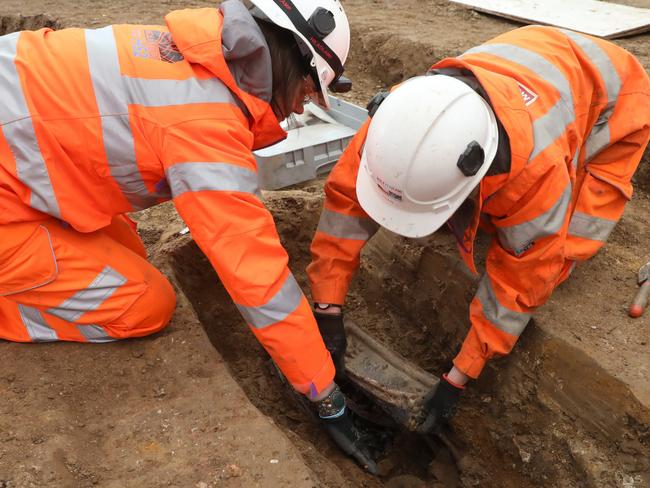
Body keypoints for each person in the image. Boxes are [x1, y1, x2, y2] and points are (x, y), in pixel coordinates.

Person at [0, 0, 376, 472]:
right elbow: (256, 277)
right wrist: (324, 395)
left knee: (128, 251)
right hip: (10, 183)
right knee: (143, 305)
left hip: (21, 166)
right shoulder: (204, 121)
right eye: (309, 88)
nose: (303, 105)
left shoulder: (199, 56)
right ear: (287, 59)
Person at [307, 25, 650, 433]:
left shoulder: (537, 174)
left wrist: (459, 377)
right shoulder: (403, 116)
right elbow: (347, 200)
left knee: (568, 244)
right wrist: (327, 307)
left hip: (617, 96)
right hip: (530, 58)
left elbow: (520, 283)